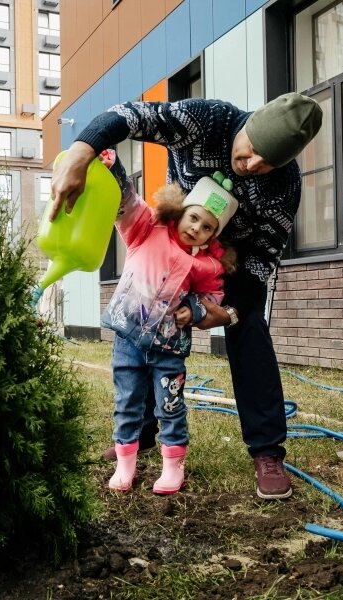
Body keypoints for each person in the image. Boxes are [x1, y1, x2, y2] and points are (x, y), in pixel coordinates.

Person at [51, 93, 323, 500]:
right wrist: (80, 152)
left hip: (231, 265)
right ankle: (140, 434)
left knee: (249, 330)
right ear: (247, 125)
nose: (251, 167)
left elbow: (263, 261)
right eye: (250, 153)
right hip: (175, 241)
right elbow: (130, 115)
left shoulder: (284, 185)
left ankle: (267, 451)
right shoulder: (207, 120)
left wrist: (227, 311)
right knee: (144, 329)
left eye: (265, 164)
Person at [102, 148, 237, 496]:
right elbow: (127, 202)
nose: (197, 228)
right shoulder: (148, 229)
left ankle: (173, 466)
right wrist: (115, 168)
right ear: (181, 211)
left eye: (208, 227)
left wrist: (194, 310)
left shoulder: (206, 266)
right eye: (194, 217)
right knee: (127, 402)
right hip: (128, 340)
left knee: (171, 405)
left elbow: (213, 300)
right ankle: (125, 464)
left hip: (168, 348)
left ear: (213, 236)